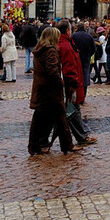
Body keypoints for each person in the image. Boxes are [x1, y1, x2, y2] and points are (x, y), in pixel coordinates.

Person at [28, 27, 73, 155]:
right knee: (60, 117)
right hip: (51, 90)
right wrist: (61, 83)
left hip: (42, 88)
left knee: (40, 118)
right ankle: (66, 145)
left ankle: (34, 145)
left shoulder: (40, 49)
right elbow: (52, 70)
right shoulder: (51, 51)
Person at [55, 20, 97, 147]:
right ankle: (81, 136)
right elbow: (69, 69)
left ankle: (81, 135)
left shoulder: (66, 42)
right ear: (68, 30)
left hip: (70, 83)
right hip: (70, 85)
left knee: (71, 111)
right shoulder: (66, 45)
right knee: (72, 111)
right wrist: (73, 86)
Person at [71, 23, 95, 92]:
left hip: (76, 57)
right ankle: (84, 91)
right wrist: (89, 55)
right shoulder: (89, 36)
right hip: (86, 58)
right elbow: (93, 48)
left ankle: (77, 90)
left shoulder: (73, 36)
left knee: (77, 74)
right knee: (85, 74)